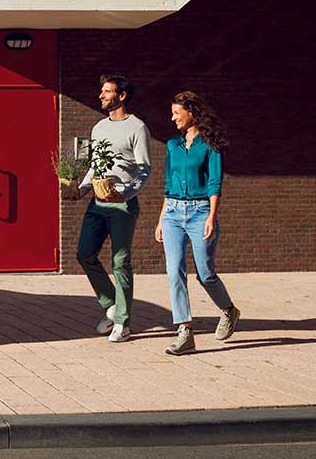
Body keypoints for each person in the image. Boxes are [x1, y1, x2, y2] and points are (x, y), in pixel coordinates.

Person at [154, 91, 240, 355]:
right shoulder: (173, 145)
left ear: (191, 112)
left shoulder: (210, 145)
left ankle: (228, 310)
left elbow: (215, 182)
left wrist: (212, 216)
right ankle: (184, 331)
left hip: (201, 211)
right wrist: (160, 220)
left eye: (176, 113)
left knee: (205, 273)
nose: (173, 118)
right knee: (174, 271)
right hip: (173, 214)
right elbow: (169, 185)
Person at [71, 75, 152, 343]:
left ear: (122, 96)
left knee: (120, 262)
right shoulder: (98, 128)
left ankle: (123, 322)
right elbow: (95, 166)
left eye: (107, 92)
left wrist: (126, 192)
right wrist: (81, 189)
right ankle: (111, 303)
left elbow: (144, 169)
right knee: (85, 254)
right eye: (102, 91)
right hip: (98, 202)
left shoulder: (137, 127)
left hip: (124, 205)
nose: (101, 96)